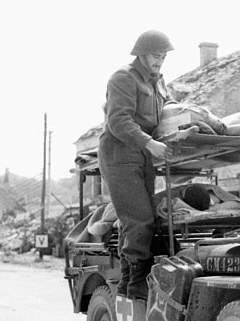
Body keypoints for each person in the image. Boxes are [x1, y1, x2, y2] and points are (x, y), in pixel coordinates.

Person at [98, 30, 176, 300]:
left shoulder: (158, 83)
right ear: (141, 54)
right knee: (139, 218)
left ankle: (128, 283)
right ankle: (134, 285)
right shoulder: (123, 78)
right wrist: (150, 143)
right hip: (120, 152)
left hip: (142, 155)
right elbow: (118, 121)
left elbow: (170, 109)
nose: (159, 61)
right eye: (155, 56)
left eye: (163, 57)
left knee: (143, 217)